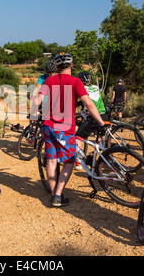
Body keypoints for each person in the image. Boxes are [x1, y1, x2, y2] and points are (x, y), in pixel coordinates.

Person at [32, 53, 106, 207]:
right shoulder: (76, 81)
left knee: (51, 159)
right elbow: (89, 104)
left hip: (48, 125)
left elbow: (37, 101)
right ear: (71, 66)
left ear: (57, 67)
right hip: (64, 127)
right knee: (68, 160)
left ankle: (54, 195)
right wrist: (100, 122)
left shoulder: (49, 80)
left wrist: (33, 115)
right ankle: (58, 194)